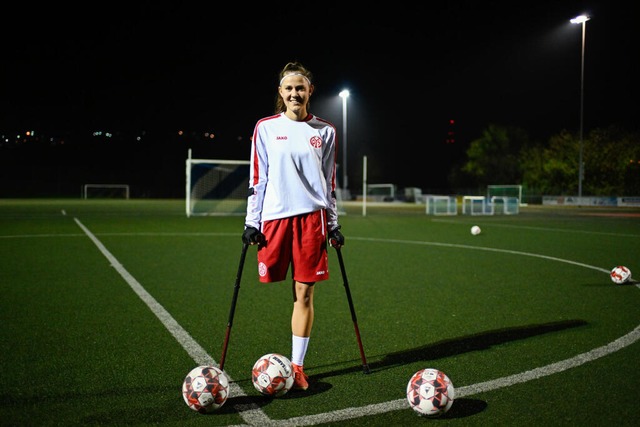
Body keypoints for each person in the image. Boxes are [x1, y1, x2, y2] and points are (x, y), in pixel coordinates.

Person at [242, 61, 345, 391]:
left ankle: (298, 367)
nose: (294, 93)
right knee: (273, 284)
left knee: (304, 292)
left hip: (311, 221)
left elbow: (328, 182)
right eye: (288, 88)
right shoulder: (266, 128)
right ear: (280, 93)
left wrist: (332, 224)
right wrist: (251, 221)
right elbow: (258, 178)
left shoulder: (325, 131)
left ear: (310, 91)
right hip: (274, 218)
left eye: (300, 87)